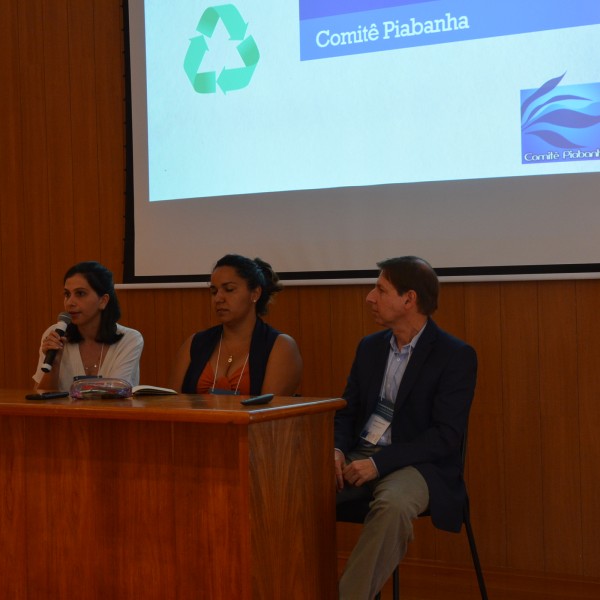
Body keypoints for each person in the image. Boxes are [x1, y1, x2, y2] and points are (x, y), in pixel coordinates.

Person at [334, 256, 477, 599]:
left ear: (409, 299)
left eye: (381, 290)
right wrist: (336, 451)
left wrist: (379, 464)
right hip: (360, 452)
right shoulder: (369, 348)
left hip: (418, 465)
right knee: (291, 490)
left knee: (393, 505)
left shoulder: (454, 355)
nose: (370, 297)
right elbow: (346, 412)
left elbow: (445, 436)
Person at [169, 254, 302, 395]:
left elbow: (270, 412)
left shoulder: (280, 346)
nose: (218, 298)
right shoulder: (194, 343)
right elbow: (172, 406)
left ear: (255, 293)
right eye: (214, 291)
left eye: (229, 289)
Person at [33, 261, 144, 391]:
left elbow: (116, 395)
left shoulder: (129, 339)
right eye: (67, 294)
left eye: (80, 294)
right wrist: (55, 364)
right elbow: (41, 399)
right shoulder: (55, 334)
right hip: (62, 412)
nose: (69, 303)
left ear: (103, 301)